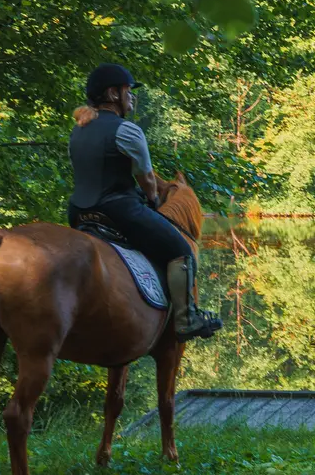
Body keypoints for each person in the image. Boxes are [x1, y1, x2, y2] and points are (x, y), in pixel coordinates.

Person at [68, 63, 222, 339]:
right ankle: (186, 319)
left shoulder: (78, 130)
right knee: (181, 250)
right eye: (128, 90)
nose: (131, 96)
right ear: (113, 94)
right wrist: (152, 201)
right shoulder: (127, 130)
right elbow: (148, 180)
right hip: (119, 210)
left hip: (79, 211)